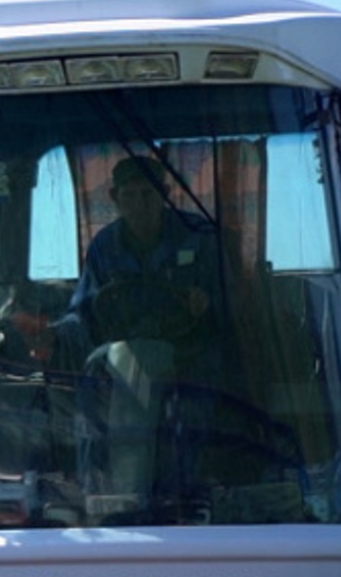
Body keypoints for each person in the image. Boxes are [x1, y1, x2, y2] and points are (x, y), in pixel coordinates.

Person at [38, 155, 231, 516]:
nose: (140, 203)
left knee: (204, 386)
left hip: (189, 350)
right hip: (119, 355)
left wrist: (206, 303)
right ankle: (97, 489)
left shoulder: (199, 238)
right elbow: (83, 313)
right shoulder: (104, 247)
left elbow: (231, 304)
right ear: (115, 198)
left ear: (165, 194)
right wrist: (53, 334)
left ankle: (185, 489)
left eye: (148, 194)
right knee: (90, 379)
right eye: (131, 195)